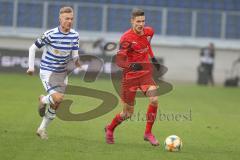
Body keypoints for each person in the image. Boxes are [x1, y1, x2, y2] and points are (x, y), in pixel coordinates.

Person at [105, 8, 161, 146]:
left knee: (154, 99)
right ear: (132, 21)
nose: (140, 24)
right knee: (127, 114)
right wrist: (131, 66)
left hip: (145, 75)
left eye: (143, 21)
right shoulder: (126, 38)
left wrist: (153, 58)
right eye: (138, 21)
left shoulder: (149, 32)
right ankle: (110, 128)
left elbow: (147, 45)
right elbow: (120, 61)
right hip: (130, 78)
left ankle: (148, 133)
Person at [26, 6, 81, 140]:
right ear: (60, 19)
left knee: (56, 104)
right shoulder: (50, 34)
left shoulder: (75, 35)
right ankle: (44, 100)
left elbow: (74, 54)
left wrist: (77, 62)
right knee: (58, 98)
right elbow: (32, 48)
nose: (69, 21)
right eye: (66, 18)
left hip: (62, 73)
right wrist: (31, 67)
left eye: (71, 19)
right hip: (47, 71)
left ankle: (42, 128)